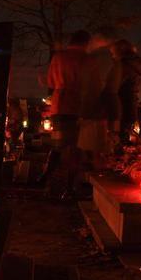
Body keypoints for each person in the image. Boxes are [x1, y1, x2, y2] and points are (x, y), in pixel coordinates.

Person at [44, 30, 90, 196]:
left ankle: (45, 177)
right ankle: (69, 188)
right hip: (77, 106)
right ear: (85, 43)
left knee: (57, 145)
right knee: (75, 149)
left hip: (58, 106)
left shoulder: (58, 57)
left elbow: (50, 82)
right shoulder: (86, 59)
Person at [78, 27, 117, 168]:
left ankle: (95, 172)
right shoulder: (108, 59)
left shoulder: (97, 58)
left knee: (93, 147)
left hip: (93, 109)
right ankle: (96, 169)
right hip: (98, 109)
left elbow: (92, 85)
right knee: (96, 147)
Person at [114, 40, 141, 144]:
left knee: (120, 136)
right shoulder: (136, 66)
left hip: (122, 103)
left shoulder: (123, 65)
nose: (113, 56)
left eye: (114, 53)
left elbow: (115, 85)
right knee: (125, 132)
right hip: (131, 103)